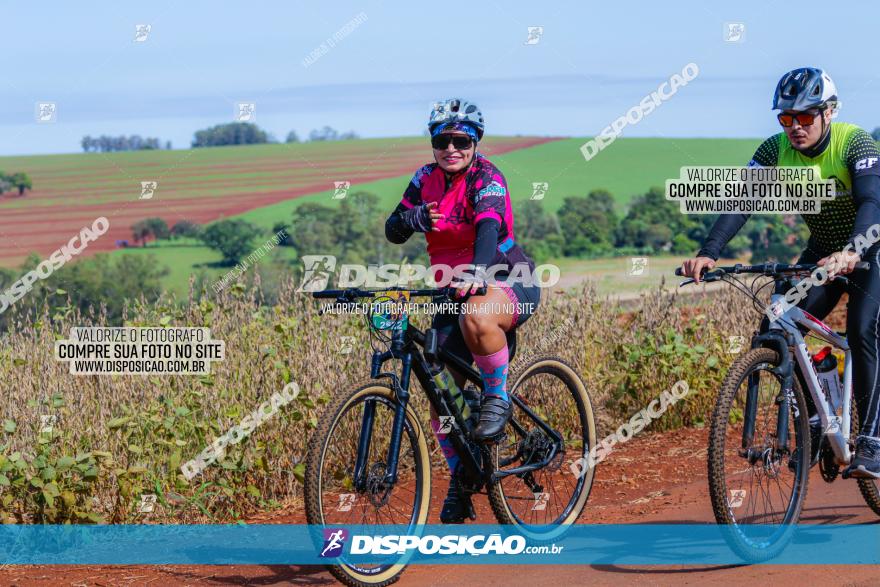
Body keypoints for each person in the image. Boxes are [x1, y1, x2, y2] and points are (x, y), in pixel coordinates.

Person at [680, 67, 880, 479]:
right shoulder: (774, 150)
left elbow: (871, 204)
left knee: (862, 331)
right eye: (786, 118)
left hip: (871, 250)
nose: (794, 127)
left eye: (805, 117)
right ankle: (812, 423)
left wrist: (850, 251)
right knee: (781, 320)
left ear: (829, 113)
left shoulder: (854, 143)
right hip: (822, 253)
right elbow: (741, 201)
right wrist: (709, 253)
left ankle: (874, 441)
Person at [384, 98, 542, 521]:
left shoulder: (486, 177)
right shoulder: (424, 178)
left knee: (477, 314)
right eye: (442, 140)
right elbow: (392, 229)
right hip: (451, 288)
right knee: (442, 398)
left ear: (475, 142)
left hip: (508, 277)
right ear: (433, 144)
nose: (450, 148)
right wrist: (411, 218)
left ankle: (496, 398)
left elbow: (489, 227)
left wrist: (478, 270)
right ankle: (462, 479)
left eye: (460, 140)